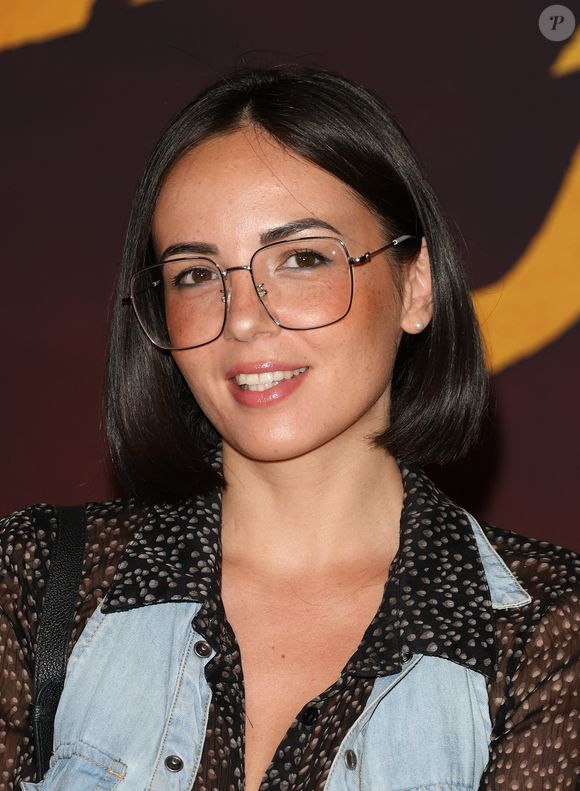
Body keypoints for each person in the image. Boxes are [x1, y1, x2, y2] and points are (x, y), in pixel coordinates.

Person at [1, 66, 578, 791]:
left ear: (415, 285)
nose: (243, 318)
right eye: (195, 273)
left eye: (302, 258)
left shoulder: (548, 632)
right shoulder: (38, 580)